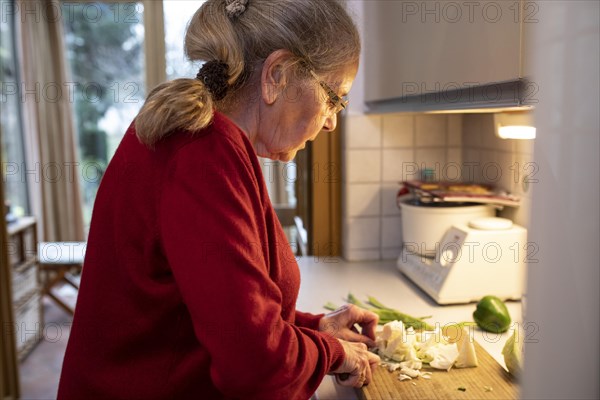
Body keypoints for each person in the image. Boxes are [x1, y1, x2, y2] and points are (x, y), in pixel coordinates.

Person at [57, 0, 380, 398]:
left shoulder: (207, 141)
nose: (332, 121)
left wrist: (314, 330)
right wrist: (330, 352)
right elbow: (256, 370)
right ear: (277, 75)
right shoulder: (204, 157)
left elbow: (222, 312)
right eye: (335, 97)